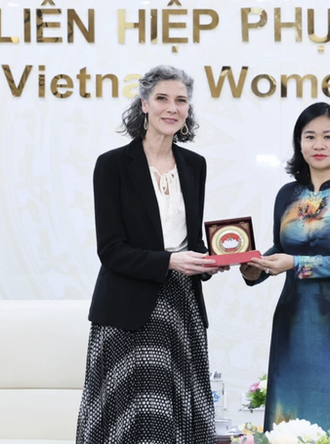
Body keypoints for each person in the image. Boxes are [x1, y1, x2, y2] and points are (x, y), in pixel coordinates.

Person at [76, 65, 224, 444]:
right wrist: (169, 261)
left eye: (181, 101)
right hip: (127, 310)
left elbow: (188, 241)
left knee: (174, 416)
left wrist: (211, 261)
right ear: (143, 104)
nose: (171, 108)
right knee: (132, 418)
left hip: (182, 306)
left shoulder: (195, 166)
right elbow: (110, 251)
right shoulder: (112, 165)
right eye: (162, 98)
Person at [241, 102, 330, 444]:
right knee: (290, 418)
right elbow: (282, 248)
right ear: (299, 143)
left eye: (328, 136)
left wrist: (295, 265)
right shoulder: (287, 195)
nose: (318, 145)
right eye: (309, 136)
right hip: (294, 323)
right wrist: (254, 268)